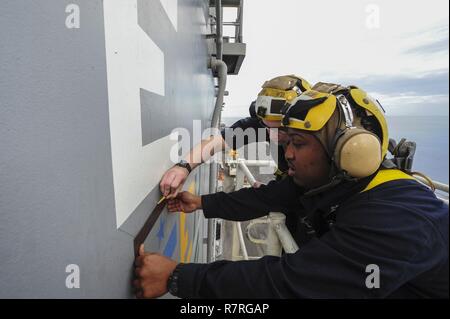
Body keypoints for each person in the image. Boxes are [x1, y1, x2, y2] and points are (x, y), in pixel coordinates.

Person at [134, 87, 449, 298]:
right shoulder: (332, 181)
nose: (287, 155)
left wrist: (178, 277)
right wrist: (201, 201)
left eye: (297, 144)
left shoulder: (398, 218)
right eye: (284, 143)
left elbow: (295, 283)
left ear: (347, 151)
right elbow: (268, 197)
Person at [159, 75, 312, 199]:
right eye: (267, 127)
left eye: (281, 129)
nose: (273, 135)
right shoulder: (264, 125)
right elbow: (217, 142)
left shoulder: (323, 139)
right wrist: (183, 167)